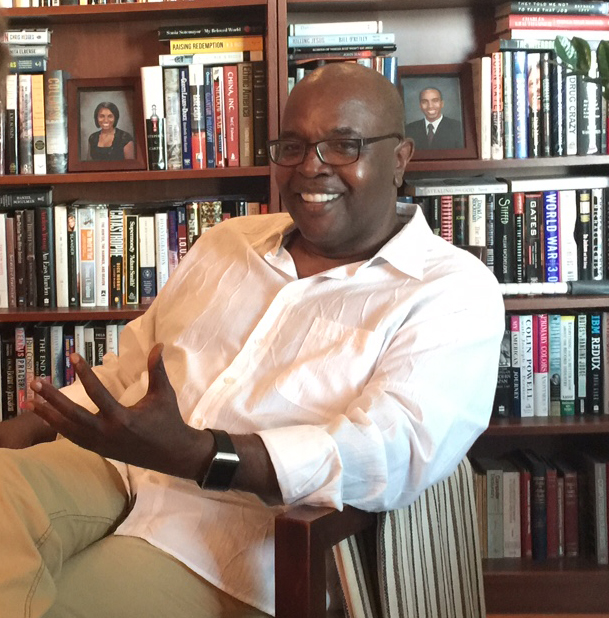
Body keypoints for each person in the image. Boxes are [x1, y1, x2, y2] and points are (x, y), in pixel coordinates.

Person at [0, 63, 504, 617]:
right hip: (114, 468)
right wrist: (32, 423)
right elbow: (129, 367)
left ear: (400, 159)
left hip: (227, 541)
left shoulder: (451, 291)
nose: (311, 167)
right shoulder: (227, 242)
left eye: (343, 145)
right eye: (293, 145)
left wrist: (203, 455)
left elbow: (389, 450)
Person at [405, 86, 464, 150]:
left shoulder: (458, 127)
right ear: (420, 105)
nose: (430, 106)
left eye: (435, 101)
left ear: (442, 104)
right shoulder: (409, 130)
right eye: (424, 102)